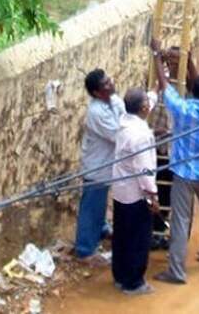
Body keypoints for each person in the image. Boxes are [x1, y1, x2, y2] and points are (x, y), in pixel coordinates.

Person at [149, 41, 199, 285]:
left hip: (184, 172)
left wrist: (156, 57)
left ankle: (177, 271)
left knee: (180, 220)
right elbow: (196, 84)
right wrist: (188, 60)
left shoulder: (183, 109)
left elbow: (163, 85)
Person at [111, 88, 160, 295]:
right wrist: (153, 196)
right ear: (143, 108)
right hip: (137, 194)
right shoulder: (141, 135)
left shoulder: (124, 122)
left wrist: (156, 89)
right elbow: (144, 170)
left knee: (121, 234)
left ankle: (121, 276)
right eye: (147, 103)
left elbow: (147, 100)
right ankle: (134, 282)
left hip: (121, 191)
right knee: (138, 238)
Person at [74, 68, 124, 264]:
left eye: (109, 80)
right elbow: (118, 135)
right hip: (97, 165)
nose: (110, 84)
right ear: (96, 92)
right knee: (92, 204)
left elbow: (126, 117)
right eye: (105, 84)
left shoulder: (114, 100)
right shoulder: (95, 112)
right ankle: (85, 250)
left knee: (100, 201)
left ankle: (101, 229)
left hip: (108, 163)